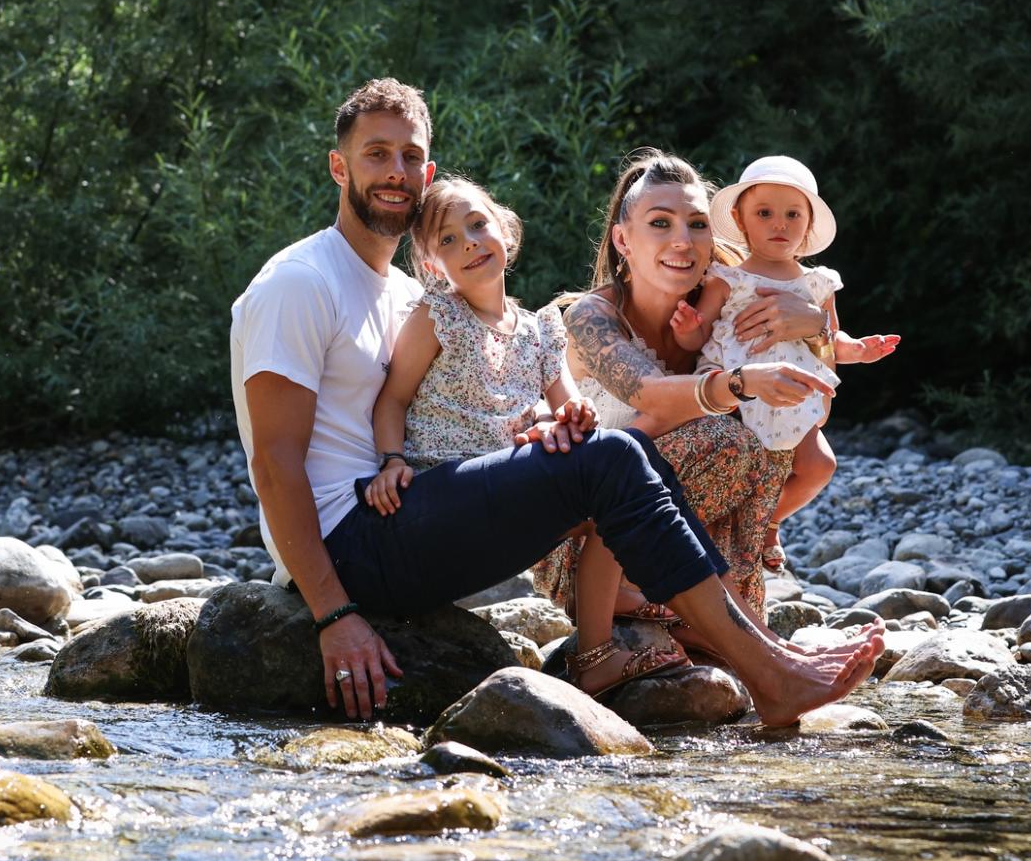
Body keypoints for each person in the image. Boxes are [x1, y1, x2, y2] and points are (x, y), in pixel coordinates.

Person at [229, 79, 879, 727]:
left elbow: (463, 417)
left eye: (409, 156)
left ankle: (760, 656)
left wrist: (538, 432)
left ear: (427, 173)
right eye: (376, 154)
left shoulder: (407, 295)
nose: (395, 172)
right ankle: (769, 674)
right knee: (614, 458)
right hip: (354, 544)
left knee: (606, 451)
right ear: (339, 165)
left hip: (414, 517)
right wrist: (335, 616)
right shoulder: (300, 282)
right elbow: (274, 462)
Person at [534, 150, 883, 645]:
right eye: (660, 222)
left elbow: (801, 399)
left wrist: (818, 329)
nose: (682, 239)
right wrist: (740, 382)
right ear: (622, 239)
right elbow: (653, 398)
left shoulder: (726, 307)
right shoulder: (592, 318)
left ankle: (721, 616)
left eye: (697, 224)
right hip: (593, 540)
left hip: (697, 546)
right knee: (724, 435)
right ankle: (627, 622)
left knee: (754, 435)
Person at [364, 174, 689, 698]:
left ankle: (597, 649)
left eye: (477, 225)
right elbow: (393, 400)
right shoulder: (436, 317)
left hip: (510, 488)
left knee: (618, 476)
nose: (468, 241)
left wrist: (573, 416)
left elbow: (570, 409)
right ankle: (629, 617)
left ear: (506, 233)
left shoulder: (540, 329)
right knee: (610, 469)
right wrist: (391, 460)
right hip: (444, 489)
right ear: (431, 266)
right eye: (447, 240)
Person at [675, 155, 898, 569]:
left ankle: (771, 521)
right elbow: (700, 337)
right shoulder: (729, 280)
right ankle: (717, 540)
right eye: (765, 213)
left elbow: (830, 342)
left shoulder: (817, 284)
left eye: (793, 215)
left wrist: (859, 350)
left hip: (795, 395)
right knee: (739, 469)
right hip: (735, 394)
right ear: (741, 221)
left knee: (820, 465)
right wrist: (688, 325)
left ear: (808, 225)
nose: (780, 224)